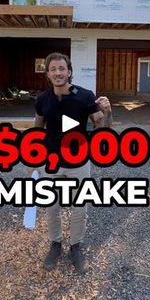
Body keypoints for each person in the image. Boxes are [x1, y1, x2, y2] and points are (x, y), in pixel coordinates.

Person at [34, 52, 112, 274]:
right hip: (50, 162)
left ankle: (75, 246)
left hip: (79, 161)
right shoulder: (41, 100)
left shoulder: (86, 97)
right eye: (53, 69)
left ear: (69, 71)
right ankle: (55, 243)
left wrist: (108, 112)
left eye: (62, 68)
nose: (58, 73)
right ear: (48, 74)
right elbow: (37, 129)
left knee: (79, 206)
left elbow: (102, 130)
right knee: (52, 205)